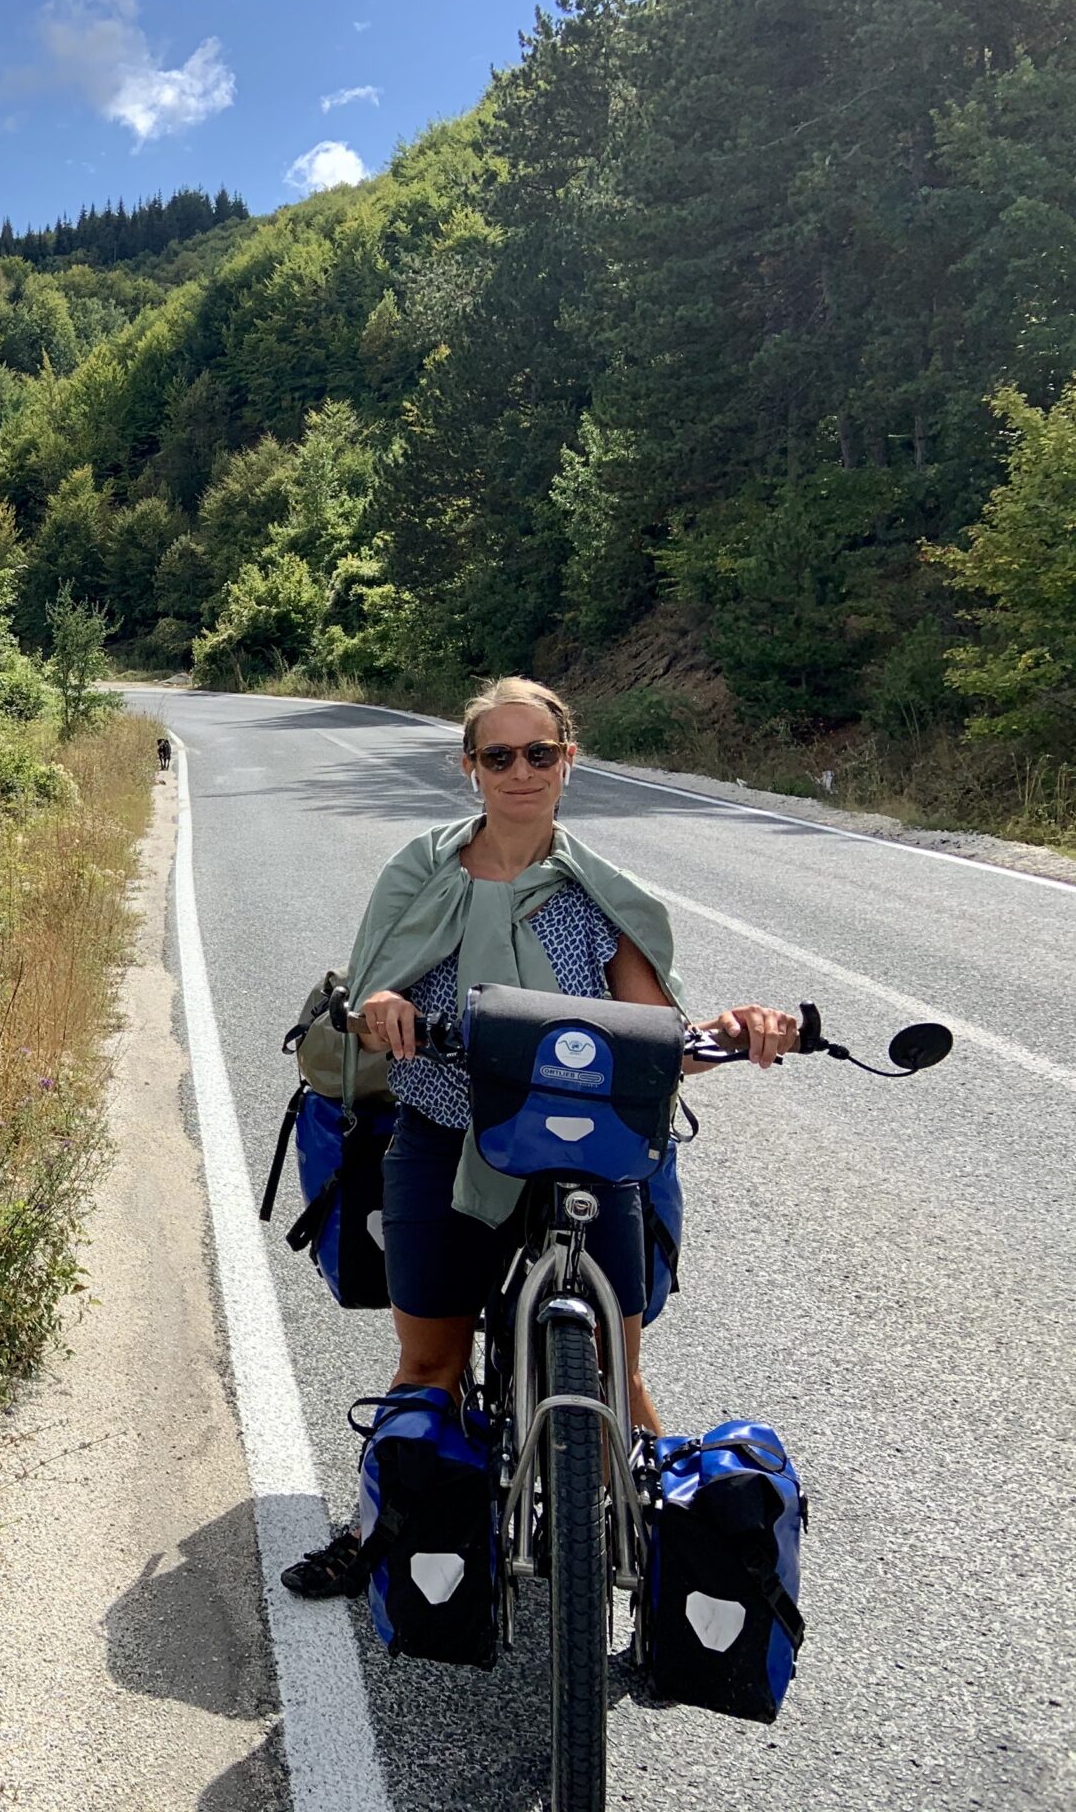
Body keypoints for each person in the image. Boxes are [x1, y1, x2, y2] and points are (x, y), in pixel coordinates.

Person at [281, 676, 801, 1600]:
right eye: (498, 755)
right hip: (445, 1133)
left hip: (587, 1153)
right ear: (469, 767)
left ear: (570, 761)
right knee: (429, 1367)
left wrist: (739, 1030)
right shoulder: (419, 874)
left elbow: (659, 1042)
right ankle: (379, 1529)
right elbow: (363, 1006)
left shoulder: (604, 894)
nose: (520, 771)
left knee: (618, 1373)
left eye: (539, 753)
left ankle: (664, 1555)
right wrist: (384, 1011)